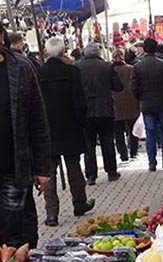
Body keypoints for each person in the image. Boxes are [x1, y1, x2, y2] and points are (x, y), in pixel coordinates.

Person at [0, 16, 50, 248]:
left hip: (12, 170)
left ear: (2, 36)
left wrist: (43, 168)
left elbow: (38, 121)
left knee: (16, 239)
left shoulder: (21, 68)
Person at [39, 37, 95, 226]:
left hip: (47, 130)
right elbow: (80, 102)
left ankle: (51, 213)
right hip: (70, 126)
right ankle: (79, 203)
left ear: (46, 53)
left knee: (49, 172)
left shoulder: (39, 73)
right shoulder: (71, 72)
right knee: (74, 167)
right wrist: (83, 123)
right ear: (63, 52)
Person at [75, 43, 123, 185]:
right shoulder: (107, 66)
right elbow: (118, 86)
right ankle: (112, 172)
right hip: (105, 110)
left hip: (86, 111)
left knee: (88, 145)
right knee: (107, 142)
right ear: (98, 53)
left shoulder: (77, 67)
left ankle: (91, 175)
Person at [131, 38, 163, 172]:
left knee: (150, 133)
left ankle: (152, 163)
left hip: (147, 104)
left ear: (144, 49)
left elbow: (133, 87)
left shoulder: (138, 67)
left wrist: (141, 98)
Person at [111, 48, 140, 161]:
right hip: (131, 103)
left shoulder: (109, 70)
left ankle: (123, 154)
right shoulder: (131, 69)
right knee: (133, 130)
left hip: (115, 105)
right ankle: (134, 152)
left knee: (118, 132)